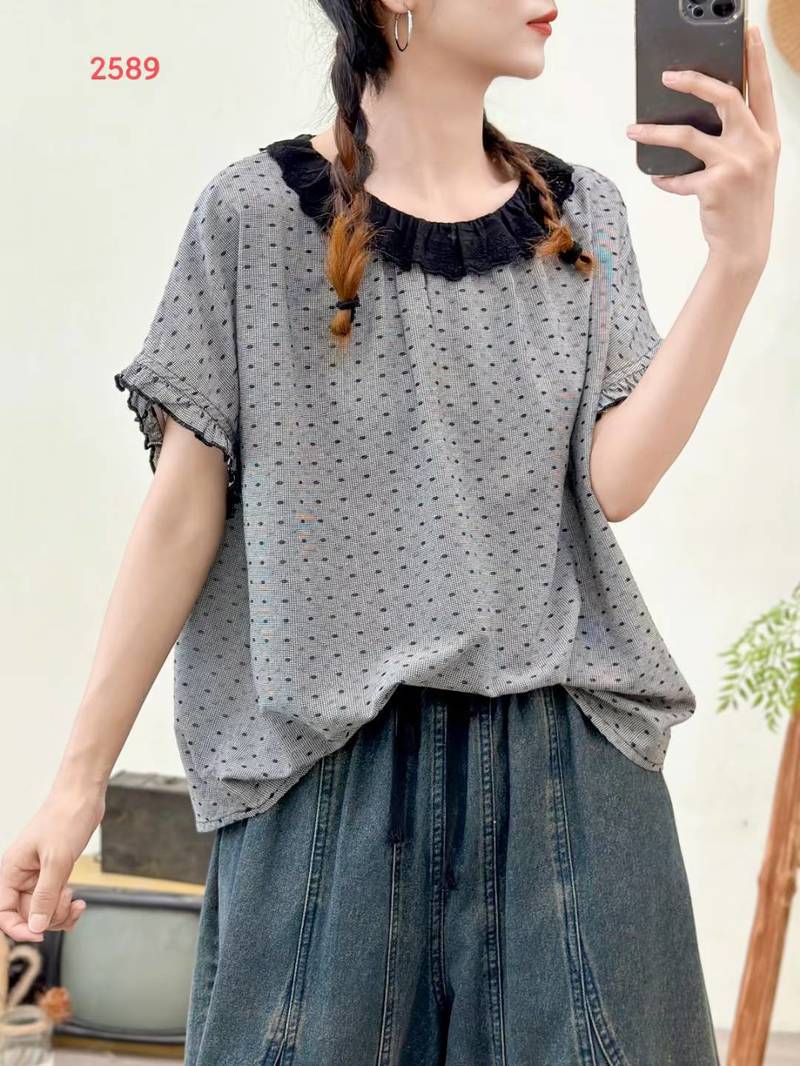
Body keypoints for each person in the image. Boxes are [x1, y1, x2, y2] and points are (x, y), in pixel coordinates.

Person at [1, 2, 780, 1063]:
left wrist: (735, 262)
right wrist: (76, 785)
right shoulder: (252, 215)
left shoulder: (578, 214)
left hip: (566, 772)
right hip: (327, 781)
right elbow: (181, 514)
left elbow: (616, 479)